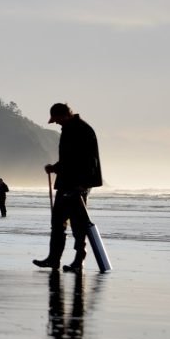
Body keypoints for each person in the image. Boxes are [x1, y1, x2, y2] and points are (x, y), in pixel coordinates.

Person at [33, 103, 103, 273]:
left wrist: (82, 185)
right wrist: (55, 168)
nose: (55, 123)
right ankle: (53, 259)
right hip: (66, 183)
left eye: (56, 119)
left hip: (78, 185)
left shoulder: (83, 130)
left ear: (64, 115)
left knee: (78, 225)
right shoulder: (69, 129)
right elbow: (70, 159)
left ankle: (79, 260)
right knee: (57, 222)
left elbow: (89, 160)